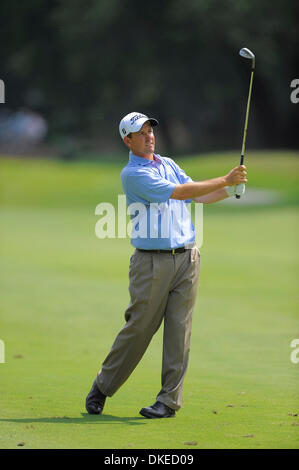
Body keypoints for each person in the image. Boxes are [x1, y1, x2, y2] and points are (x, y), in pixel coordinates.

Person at [86, 112, 247, 419]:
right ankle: (103, 386)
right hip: (151, 262)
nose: (149, 135)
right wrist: (226, 179)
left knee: (179, 331)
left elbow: (198, 196)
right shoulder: (132, 174)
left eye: (150, 130)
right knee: (139, 328)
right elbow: (181, 192)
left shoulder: (168, 164)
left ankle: (168, 401)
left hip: (187, 258)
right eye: (141, 132)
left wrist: (229, 190)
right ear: (127, 141)